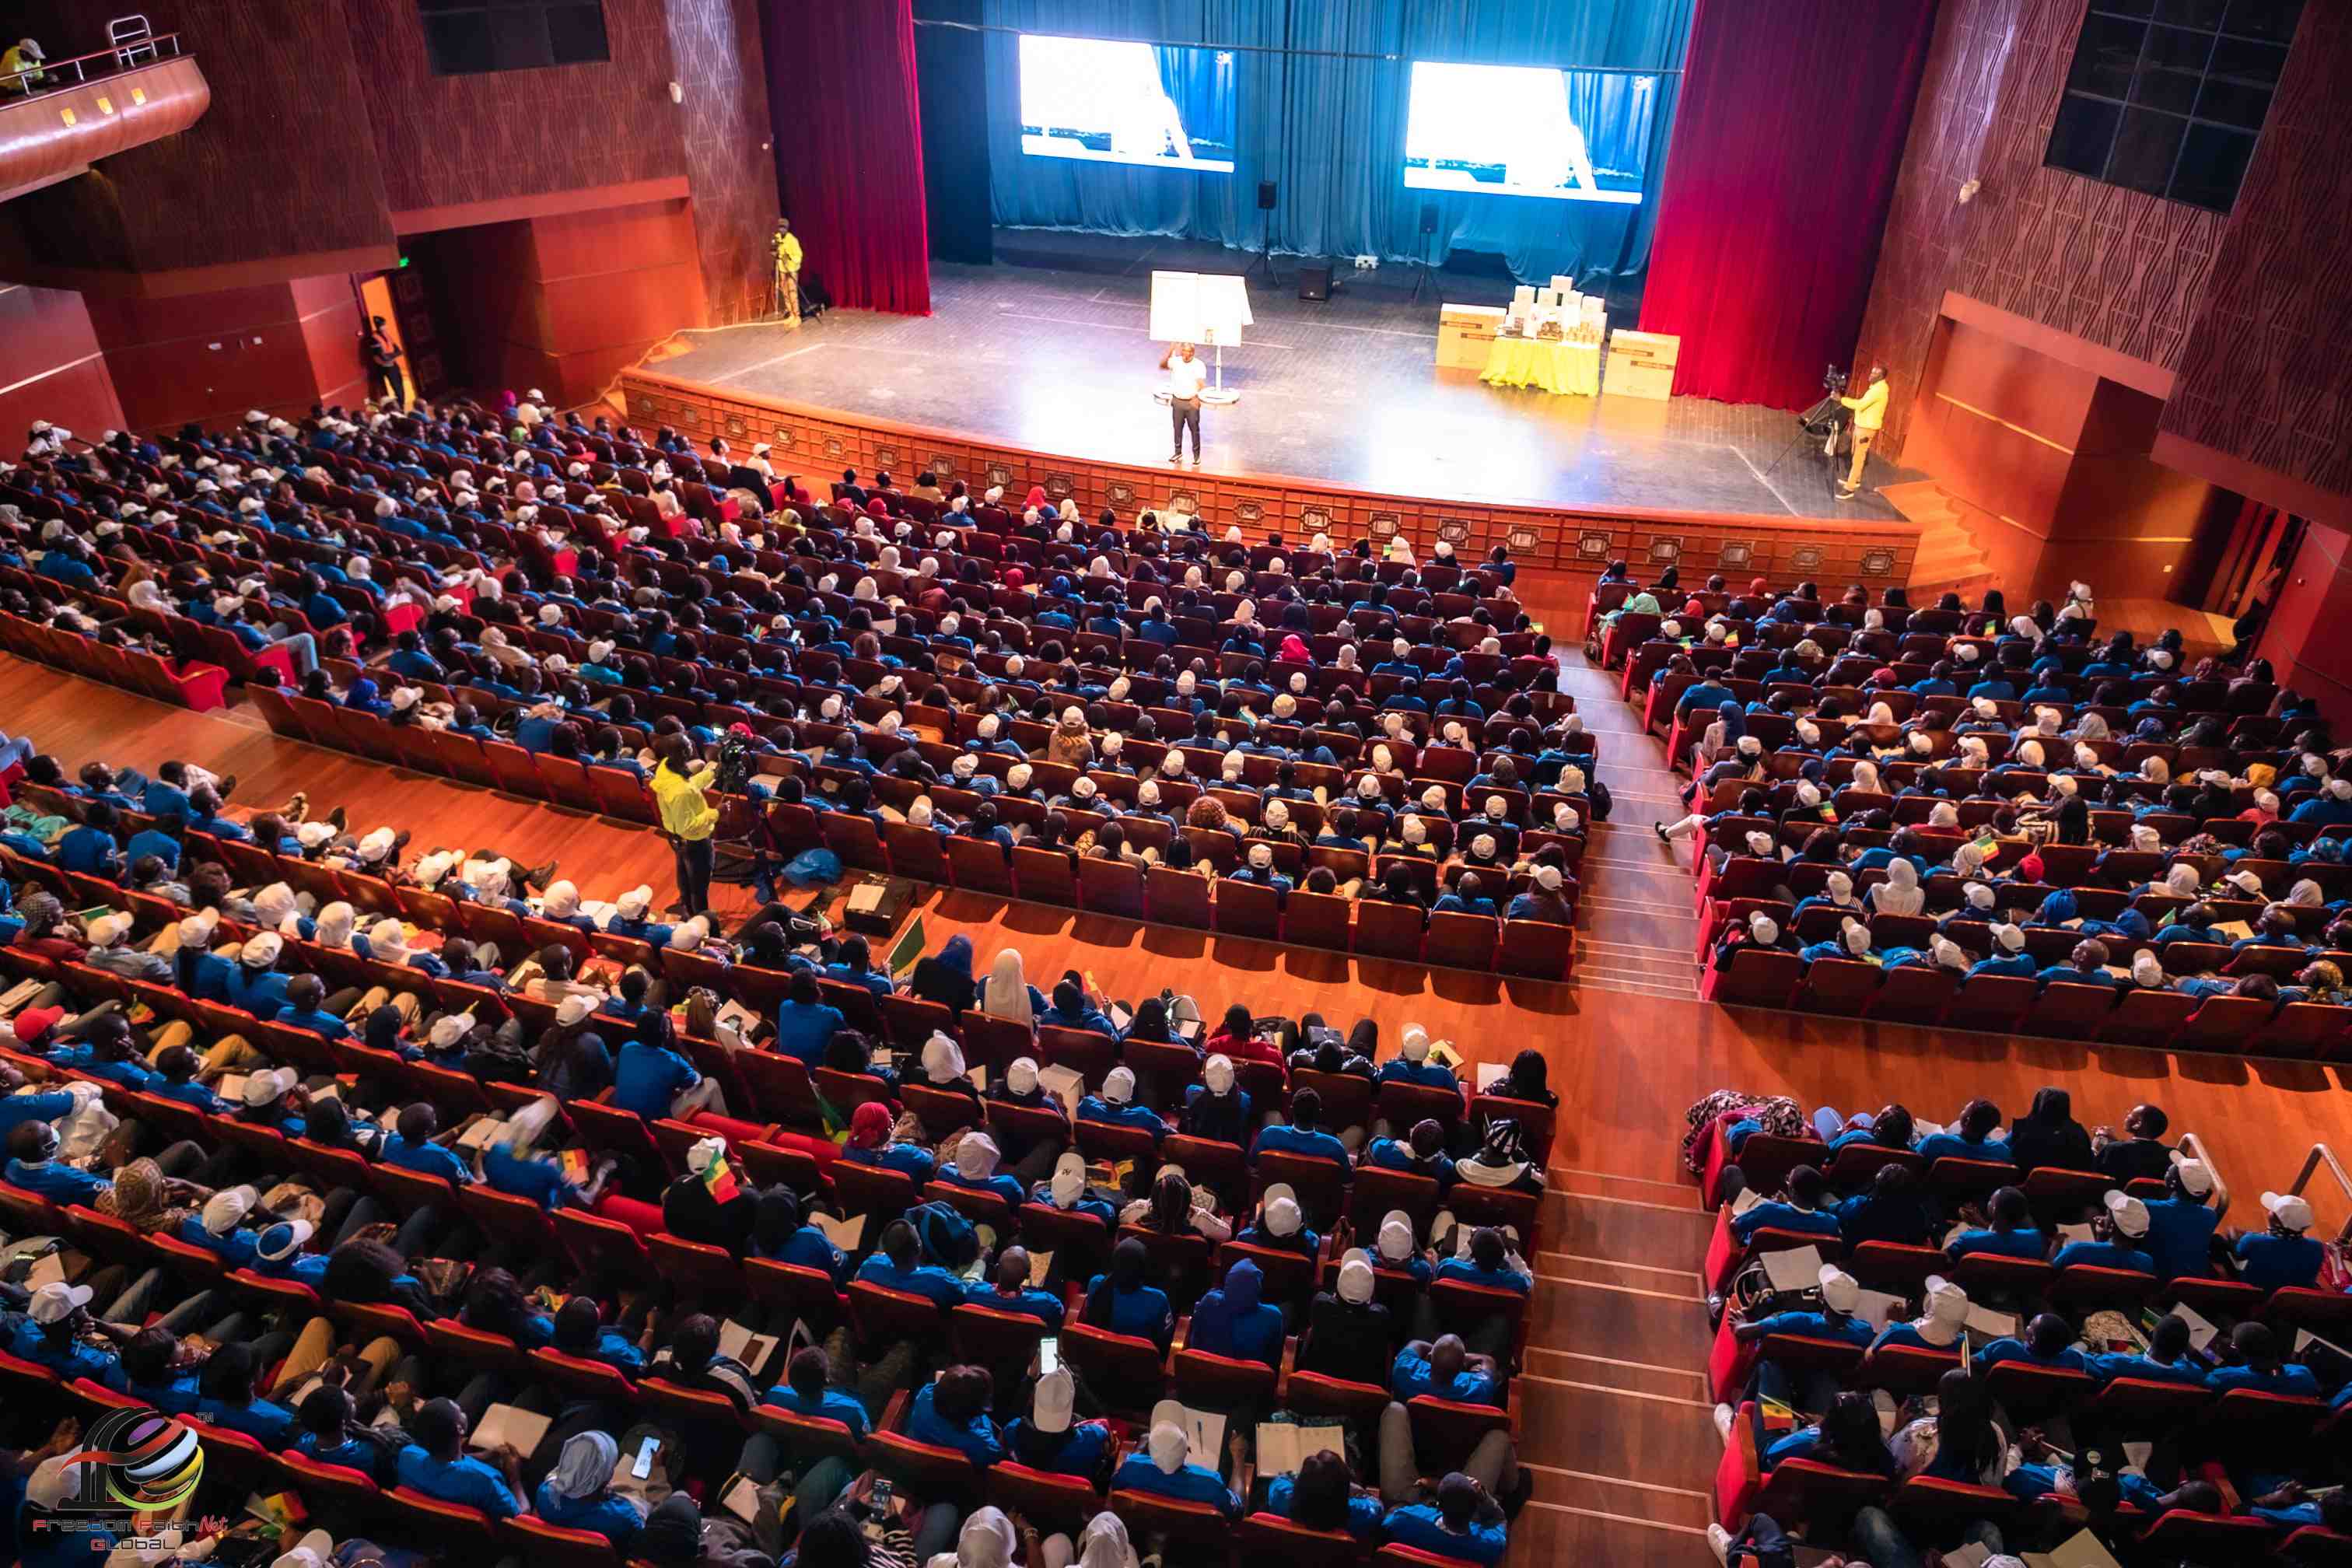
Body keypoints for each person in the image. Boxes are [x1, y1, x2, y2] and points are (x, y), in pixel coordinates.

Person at [396, 1397, 527, 1519]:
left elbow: (443, 1464)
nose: (464, 1413)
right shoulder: (486, 1481)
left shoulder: (407, 1457)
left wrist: (481, 1456)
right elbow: (519, 1520)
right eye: (461, 1412)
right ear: (460, 1429)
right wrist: (515, 1477)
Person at [650, 735, 719, 919]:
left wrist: (713, 773)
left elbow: (690, 786)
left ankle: (688, 911)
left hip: (676, 837)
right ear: (684, 752)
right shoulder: (681, 792)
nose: (692, 745)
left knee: (685, 878)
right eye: (689, 744)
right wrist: (717, 813)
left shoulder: (665, 766)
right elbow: (688, 827)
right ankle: (703, 924)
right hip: (694, 841)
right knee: (698, 887)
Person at [1837, 365, 1888, 496]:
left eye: (1874, 373)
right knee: (1856, 455)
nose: (1870, 375)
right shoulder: (1876, 388)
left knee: (1858, 458)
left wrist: (1841, 400)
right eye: (1871, 372)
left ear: (1881, 377)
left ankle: (1850, 489)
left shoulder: (1878, 391)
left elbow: (1860, 405)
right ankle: (1855, 480)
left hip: (1866, 429)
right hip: (1862, 427)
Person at [1162, 341, 1207, 467]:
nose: (1185, 355)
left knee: (1194, 430)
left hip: (1191, 403)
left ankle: (1196, 456)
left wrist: (1197, 397)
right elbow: (1163, 365)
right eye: (1183, 352)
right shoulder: (1176, 361)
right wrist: (1170, 350)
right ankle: (1178, 452)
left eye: (1188, 353)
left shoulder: (1199, 365)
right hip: (1177, 401)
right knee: (1177, 428)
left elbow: (1201, 384)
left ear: (1193, 353)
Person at [359, 315, 404, 407]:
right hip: (384, 366)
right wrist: (395, 354)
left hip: (392, 364)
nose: (385, 326)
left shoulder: (386, 334)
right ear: (378, 326)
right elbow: (384, 357)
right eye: (383, 325)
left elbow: (398, 349)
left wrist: (392, 355)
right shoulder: (374, 339)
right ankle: (396, 407)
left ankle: (401, 405)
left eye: (384, 324)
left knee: (399, 386)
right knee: (389, 388)